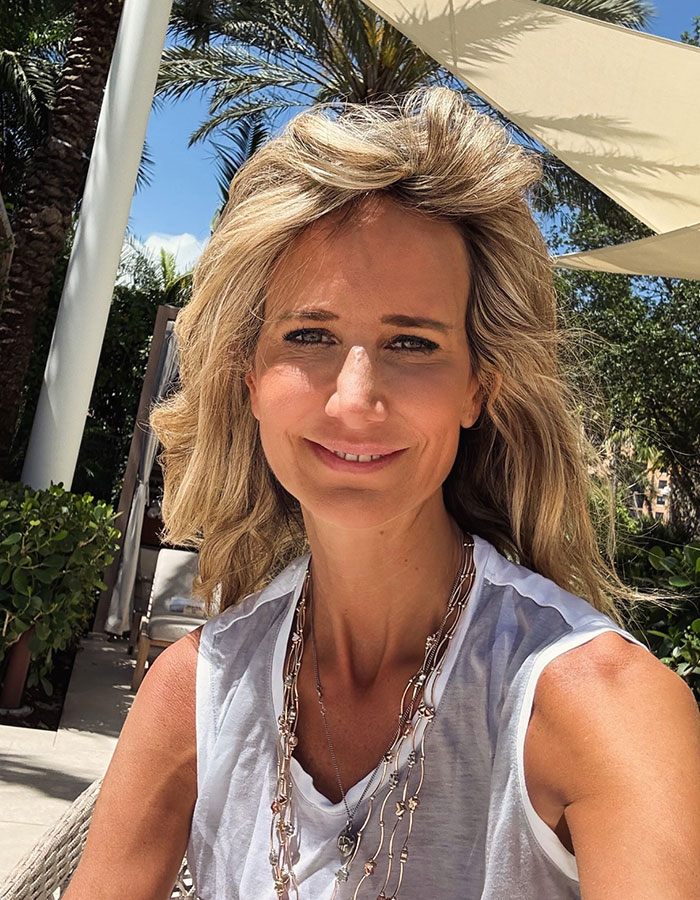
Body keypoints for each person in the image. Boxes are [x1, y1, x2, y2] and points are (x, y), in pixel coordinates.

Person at [64, 88, 700, 900]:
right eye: (310, 336)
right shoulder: (196, 690)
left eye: (411, 341)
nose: (354, 401)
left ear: (479, 386)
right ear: (248, 377)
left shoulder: (604, 706)